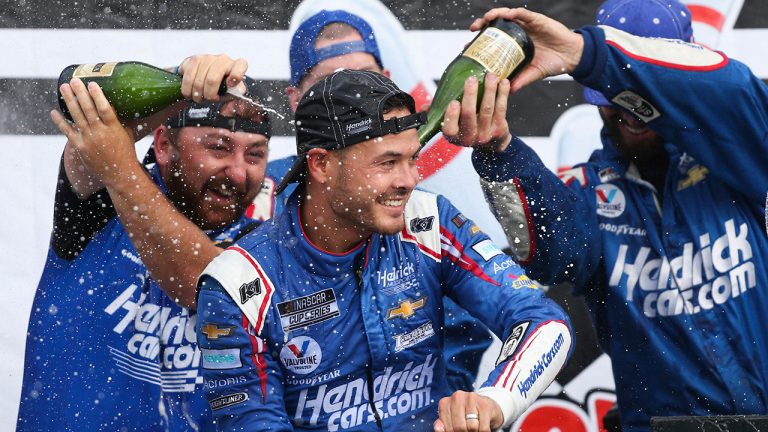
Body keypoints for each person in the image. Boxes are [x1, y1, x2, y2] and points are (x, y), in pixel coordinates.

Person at [195, 69, 573, 432]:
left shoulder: (429, 220)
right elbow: (254, 422)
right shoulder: (237, 284)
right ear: (322, 164)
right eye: (388, 163)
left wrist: (495, 400)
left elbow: (545, 321)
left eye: (412, 159)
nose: (409, 180)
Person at [450, 2, 768, 431]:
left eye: (642, 99)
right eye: (615, 100)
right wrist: (499, 152)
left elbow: (734, 90)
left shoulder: (741, 154)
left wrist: (592, 57)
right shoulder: (588, 191)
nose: (631, 114)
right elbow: (552, 257)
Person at [17, 55, 272, 431]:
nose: (236, 172)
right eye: (218, 147)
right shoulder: (99, 202)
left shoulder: (265, 244)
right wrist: (182, 82)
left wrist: (120, 168)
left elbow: (202, 281)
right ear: (164, 145)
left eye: (255, 155)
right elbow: (86, 97)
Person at [265, 8, 495, 394]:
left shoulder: (416, 199)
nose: (353, 96)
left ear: (387, 82)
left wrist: (433, 406)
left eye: (366, 79)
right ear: (295, 100)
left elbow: (471, 326)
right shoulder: (259, 188)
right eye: (331, 83)